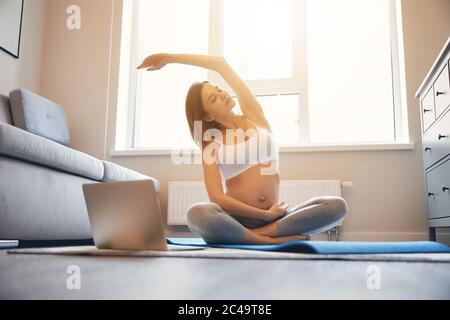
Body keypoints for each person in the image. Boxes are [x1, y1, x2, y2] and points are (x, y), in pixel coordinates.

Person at [138, 53, 348, 245]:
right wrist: (264, 215)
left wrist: (170, 58)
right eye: (213, 98)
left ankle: (262, 235)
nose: (222, 95)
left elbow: (219, 63)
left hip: (278, 214)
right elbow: (217, 198)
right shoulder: (211, 145)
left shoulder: (254, 115)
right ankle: (264, 239)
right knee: (197, 213)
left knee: (337, 206)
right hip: (236, 220)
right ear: (208, 116)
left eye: (219, 90)